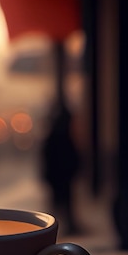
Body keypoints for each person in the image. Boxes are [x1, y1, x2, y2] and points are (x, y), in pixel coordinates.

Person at [41, 100, 82, 235]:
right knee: (61, 202)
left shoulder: (55, 136)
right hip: (60, 175)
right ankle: (55, 226)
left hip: (59, 175)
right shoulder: (60, 136)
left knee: (62, 202)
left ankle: (57, 226)